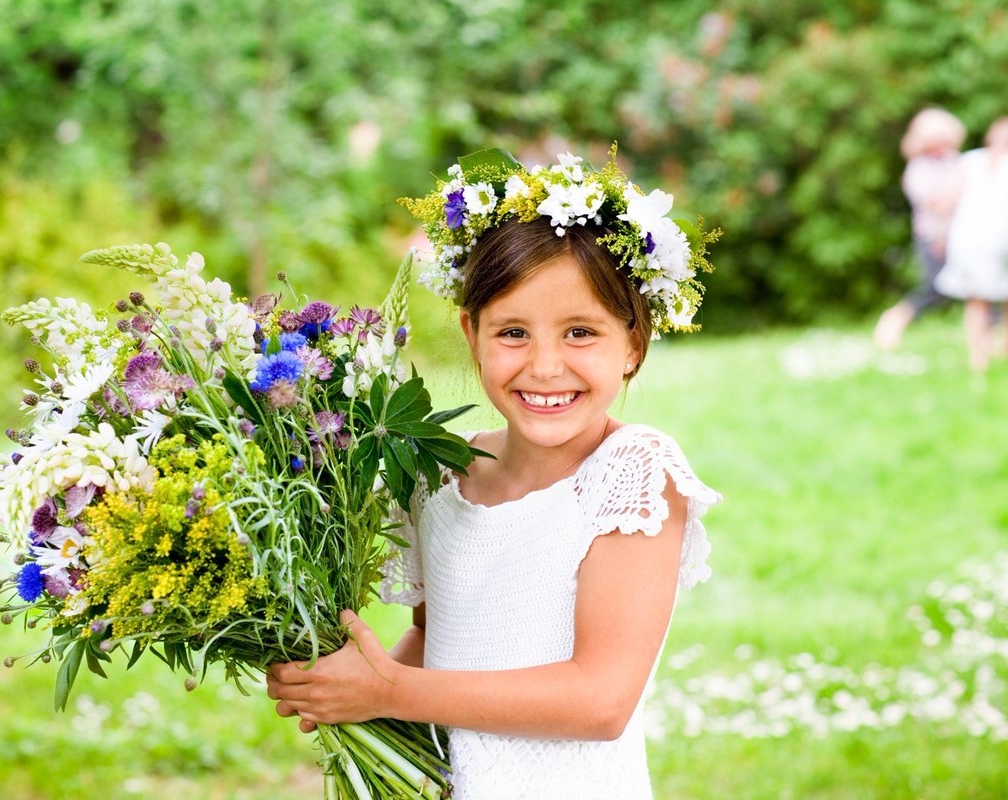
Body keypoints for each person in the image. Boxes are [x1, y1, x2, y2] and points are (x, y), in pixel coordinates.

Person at [266, 150, 721, 799]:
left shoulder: (633, 473)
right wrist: (348, 686)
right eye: (513, 332)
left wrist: (389, 689)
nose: (544, 366)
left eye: (580, 333)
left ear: (633, 344)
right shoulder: (439, 475)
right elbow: (433, 637)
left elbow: (599, 699)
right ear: (471, 333)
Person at [935, 116, 1008, 370]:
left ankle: (978, 357)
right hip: (1004, 238)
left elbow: (947, 202)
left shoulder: (968, 160)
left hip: (966, 237)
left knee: (976, 299)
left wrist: (940, 234)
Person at [873, 108, 966, 351]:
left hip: (960, 235)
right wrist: (957, 190)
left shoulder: (954, 160)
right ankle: (895, 319)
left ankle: (992, 337)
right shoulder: (918, 169)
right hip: (932, 237)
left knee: (978, 285)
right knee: (935, 289)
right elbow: (938, 206)